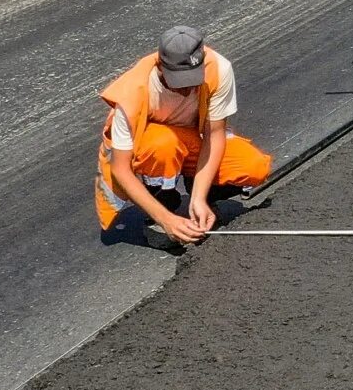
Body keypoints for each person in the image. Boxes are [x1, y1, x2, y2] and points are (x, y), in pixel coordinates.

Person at [93, 25, 272, 249]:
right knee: (162, 144)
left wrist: (198, 196)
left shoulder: (218, 69)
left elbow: (214, 135)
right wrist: (166, 220)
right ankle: (162, 210)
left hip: (192, 141)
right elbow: (120, 169)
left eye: (192, 81)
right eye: (179, 83)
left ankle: (202, 204)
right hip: (153, 149)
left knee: (253, 166)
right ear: (160, 67)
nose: (187, 90)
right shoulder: (133, 92)